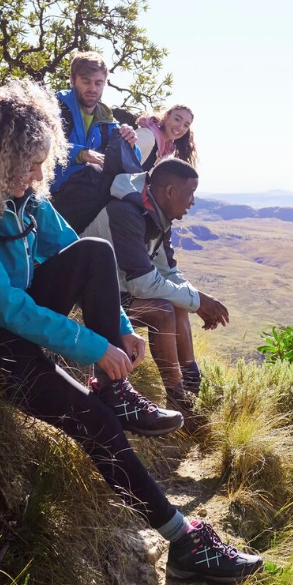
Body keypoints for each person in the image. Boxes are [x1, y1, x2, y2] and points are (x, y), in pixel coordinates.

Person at [0, 80, 262, 584]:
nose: (40, 175)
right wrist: (95, 347)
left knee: (96, 251)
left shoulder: (20, 196)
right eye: (29, 164)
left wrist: (120, 329)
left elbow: (71, 247)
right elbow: (7, 308)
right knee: (95, 423)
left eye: (42, 162)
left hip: (13, 319)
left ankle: (115, 392)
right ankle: (184, 541)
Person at [82, 158, 229, 420]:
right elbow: (142, 283)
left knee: (177, 302)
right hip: (88, 299)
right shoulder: (126, 213)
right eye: (190, 193)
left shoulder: (156, 213)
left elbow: (168, 270)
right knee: (162, 311)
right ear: (170, 191)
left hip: (118, 290)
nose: (193, 202)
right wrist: (199, 301)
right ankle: (178, 398)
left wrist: (196, 301)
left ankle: (192, 383)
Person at [49, 51, 139, 233]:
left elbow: (133, 162)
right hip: (52, 196)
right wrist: (81, 154)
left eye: (98, 83)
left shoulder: (107, 121)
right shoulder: (53, 108)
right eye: (86, 81)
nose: (93, 88)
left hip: (87, 200)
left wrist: (130, 143)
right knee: (94, 173)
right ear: (72, 80)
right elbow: (41, 146)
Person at [135, 104, 197, 172]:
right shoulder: (148, 136)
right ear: (166, 116)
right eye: (177, 119)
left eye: (186, 125)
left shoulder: (164, 151)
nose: (180, 127)